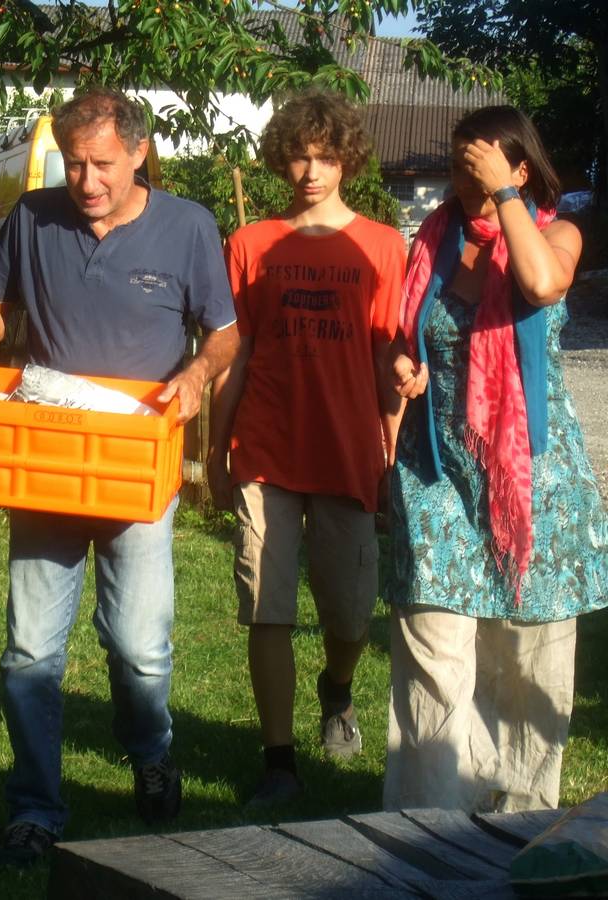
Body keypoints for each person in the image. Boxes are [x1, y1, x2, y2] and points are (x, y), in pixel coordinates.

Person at [0, 86, 239, 867]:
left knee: (139, 647)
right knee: (29, 654)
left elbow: (225, 332)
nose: (86, 181)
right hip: (46, 460)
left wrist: (197, 374)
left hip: (137, 465)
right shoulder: (31, 217)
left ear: (139, 153)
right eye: (74, 164)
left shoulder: (188, 226)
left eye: (103, 164)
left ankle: (150, 754)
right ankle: (35, 808)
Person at [383, 105, 608, 813]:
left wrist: (505, 197)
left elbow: (540, 285)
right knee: (431, 644)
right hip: (438, 473)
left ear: (521, 169)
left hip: (531, 480)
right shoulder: (433, 239)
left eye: (478, 165)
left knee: (525, 655)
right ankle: (427, 820)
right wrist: (403, 364)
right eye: (458, 165)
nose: (465, 179)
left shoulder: (558, 233)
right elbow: (408, 336)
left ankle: (519, 814)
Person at [208, 90, 405, 808]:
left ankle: (337, 687)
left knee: (350, 615)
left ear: (347, 160)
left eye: (324, 157)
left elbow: (387, 356)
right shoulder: (250, 244)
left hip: (348, 452)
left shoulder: (382, 246)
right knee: (268, 607)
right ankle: (279, 760)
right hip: (266, 448)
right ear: (280, 160)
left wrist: (390, 455)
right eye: (298, 156)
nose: (311, 172)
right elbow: (234, 354)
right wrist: (217, 449)